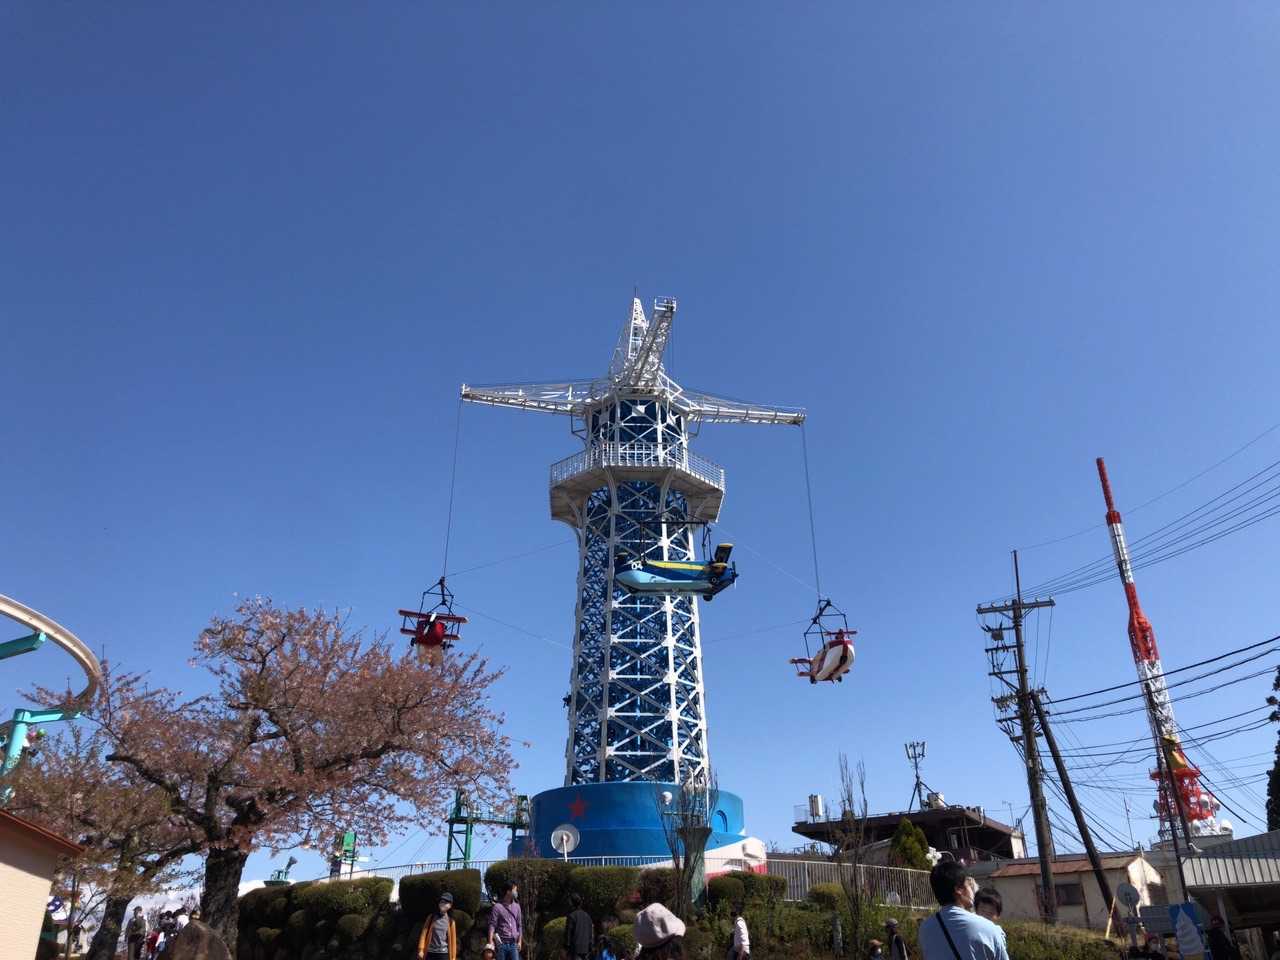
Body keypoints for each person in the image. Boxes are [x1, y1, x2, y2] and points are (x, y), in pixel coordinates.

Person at [917, 861, 1009, 960]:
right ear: (959, 889)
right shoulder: (989, 929)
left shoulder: (925, 929)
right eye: (969, 885)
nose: (972, 890)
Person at [417, 892, 457, 960]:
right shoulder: (431, 917)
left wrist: (453, 957)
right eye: (442, 902)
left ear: (450, 905)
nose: (443, 904)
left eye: (446, 902)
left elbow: (453, 941)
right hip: (430, 953)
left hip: (443, 954)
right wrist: (421, 950)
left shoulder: (451, 922)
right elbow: (423, 934)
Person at [489, 882, 523, 960]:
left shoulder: (517, 907)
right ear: (508, 891)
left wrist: (520, 941)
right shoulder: (497, 907)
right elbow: (492, 925)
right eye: (515, 890)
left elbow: (519, 925)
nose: (516, 892)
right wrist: (490, 940)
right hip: (501, 944)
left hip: (513, 944)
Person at [565, 892, 594, 960]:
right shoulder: (588, 916)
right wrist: (590, 947)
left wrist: (566, 948)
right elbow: (591, 934)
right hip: (586, 950)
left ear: (572, 903)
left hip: (575, 950)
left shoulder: (571, 916)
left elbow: (568, 935)